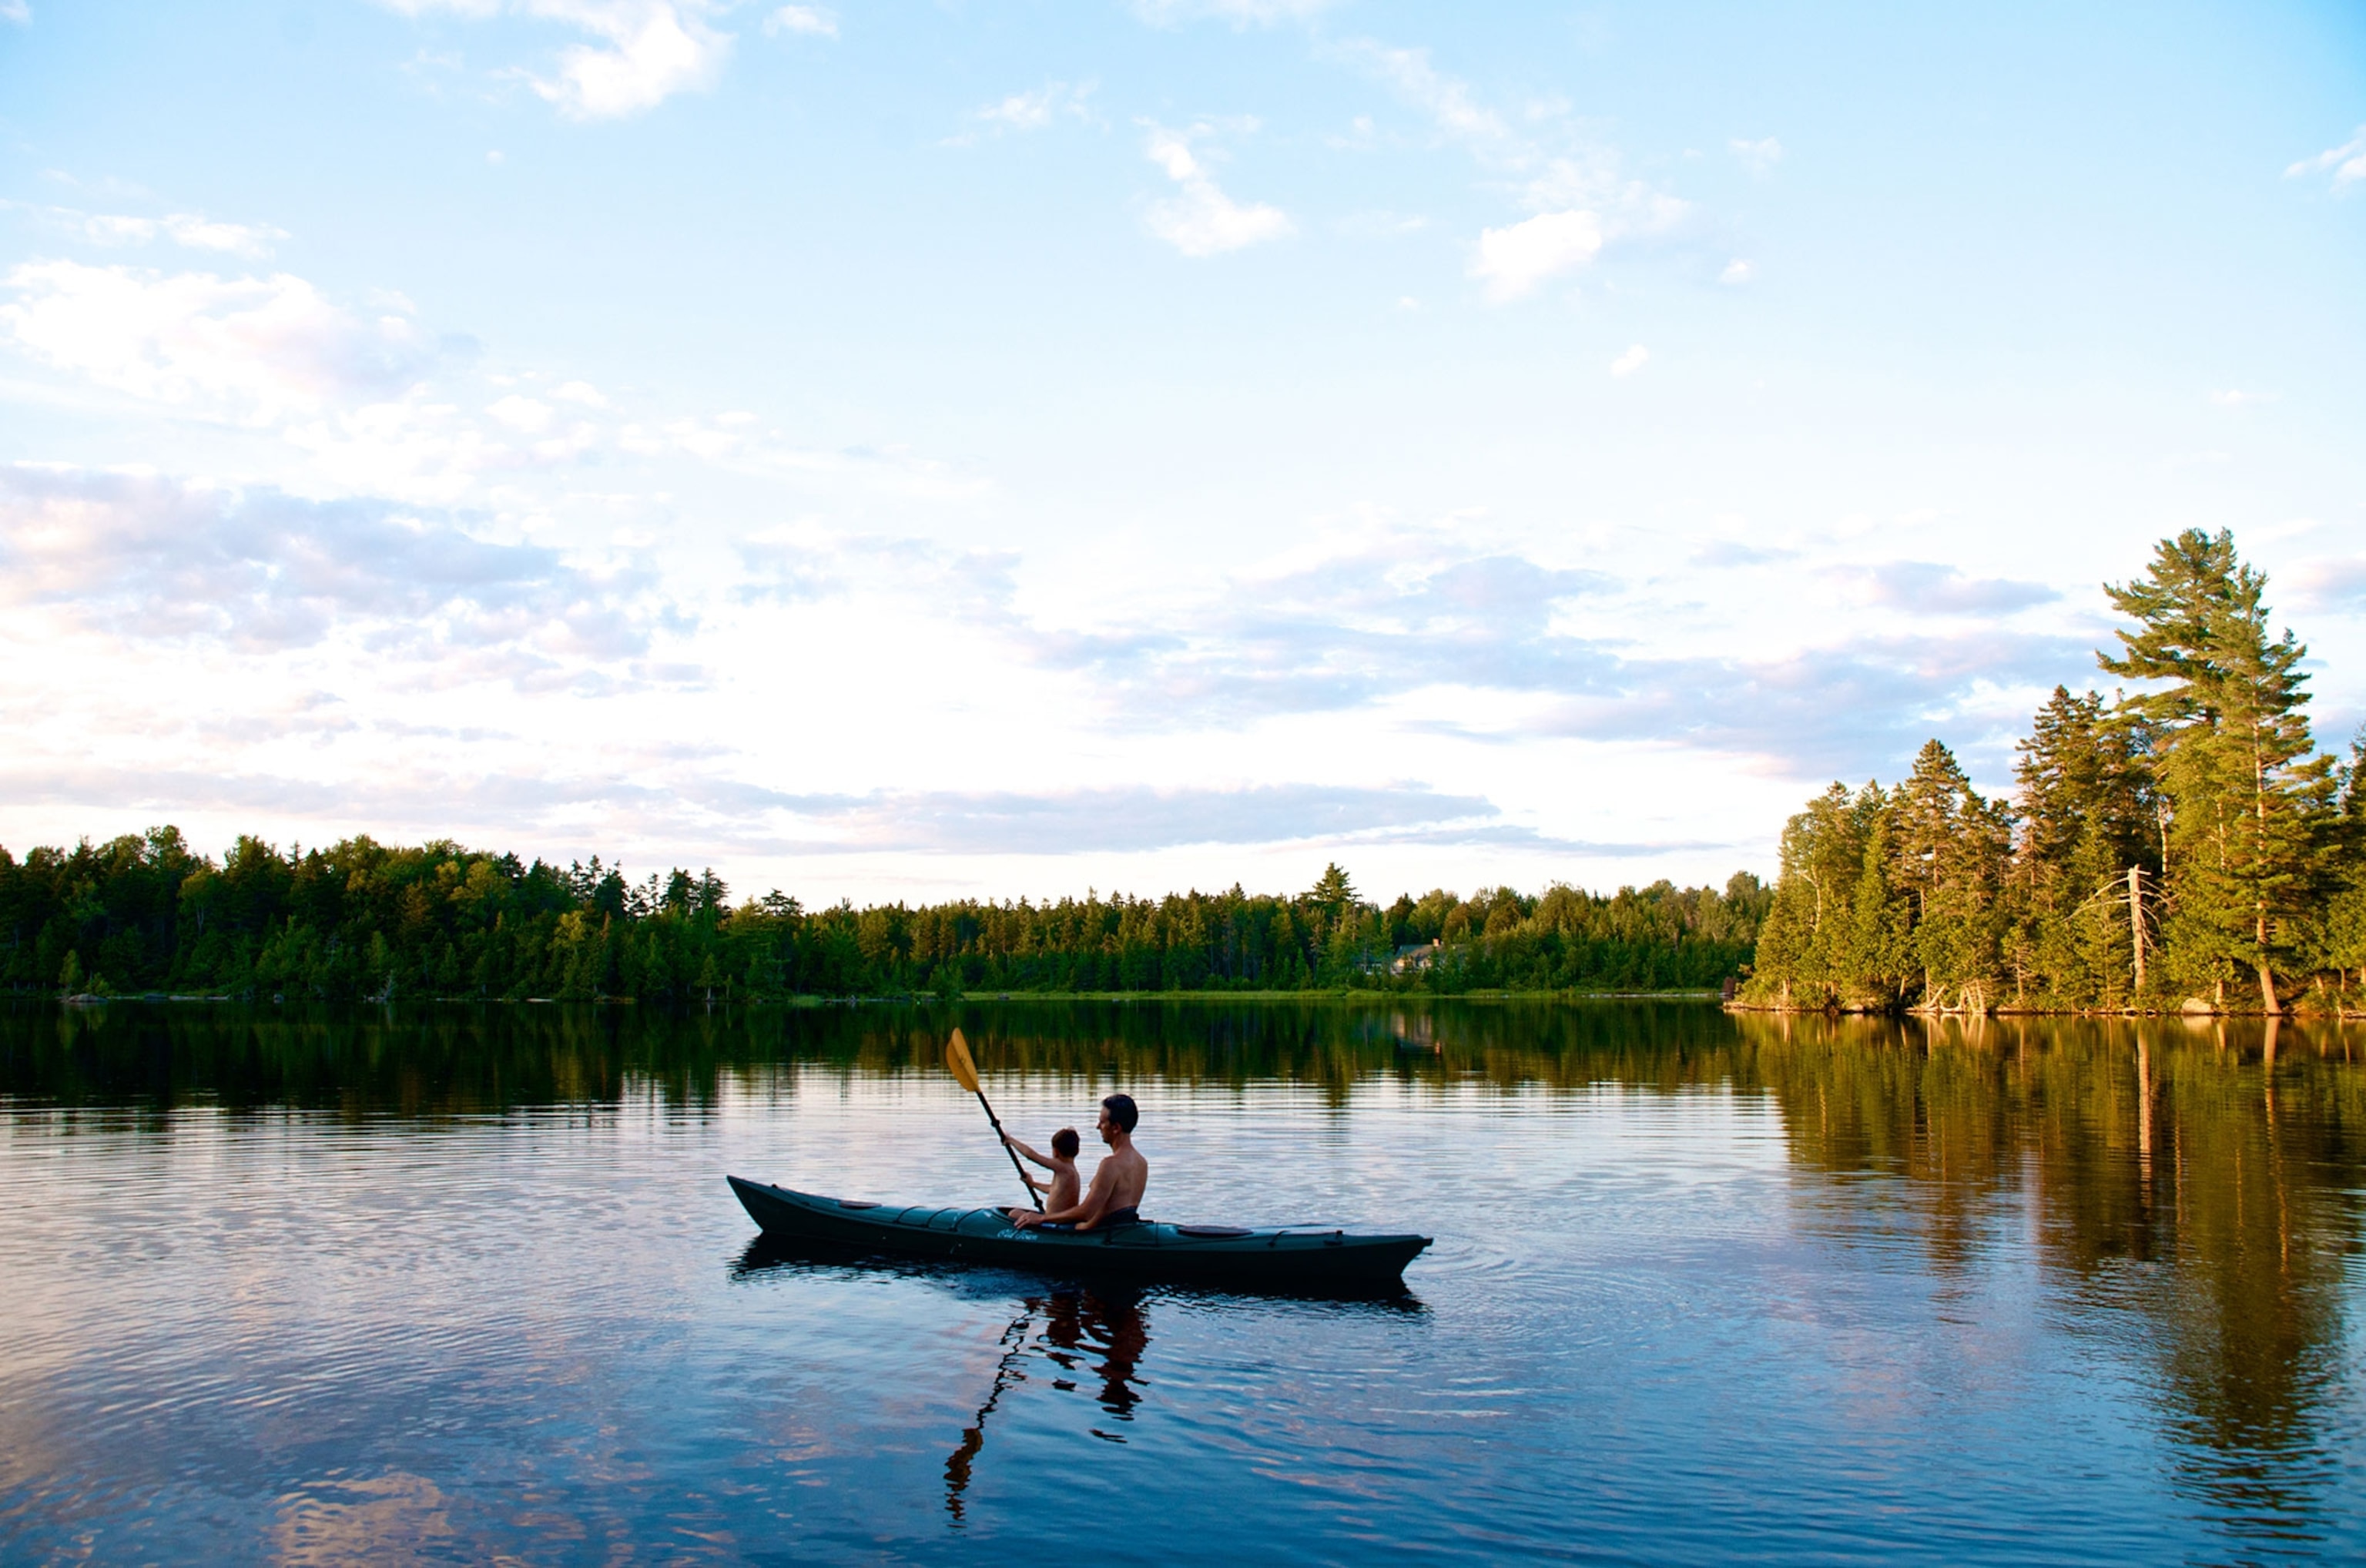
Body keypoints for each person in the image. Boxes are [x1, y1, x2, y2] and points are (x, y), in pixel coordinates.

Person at [1010, 1094, 1147, 1231]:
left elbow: (1086, 1213)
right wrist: (1034, 1184)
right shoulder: (1141, 1163)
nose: (1097, 1127)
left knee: (1013, 1214)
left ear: (1116, 1128)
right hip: (1119, 1230)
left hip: (1092, 1232)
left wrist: (1042, 1218)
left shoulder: (1110, 1165)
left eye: (1102, 1122)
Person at [1002, 1126, 1081, 1215]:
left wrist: (1011, 1140)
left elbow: (1031, 1155)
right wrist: (1033, 1184)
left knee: (1014, 1213)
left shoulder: (1062, 1167)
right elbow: (1052, 1189)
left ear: (1056, 1152)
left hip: (1055, 1223)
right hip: (1061, 1221)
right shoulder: (1072, 1172)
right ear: (1077, 1151)